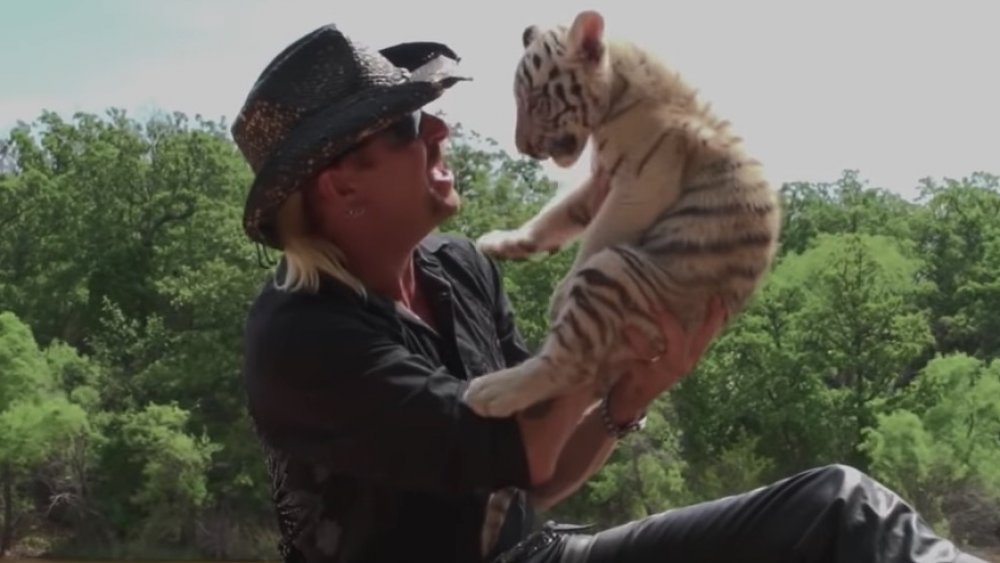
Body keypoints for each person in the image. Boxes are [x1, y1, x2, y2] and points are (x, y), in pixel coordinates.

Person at [232, 23, 987, 563]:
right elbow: (519, 446)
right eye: (407, 124)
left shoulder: (457, 269)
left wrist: (627, 399)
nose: (442, 128)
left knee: (835, 511)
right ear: (340, 185)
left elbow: (540, 473)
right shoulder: (302, 343)